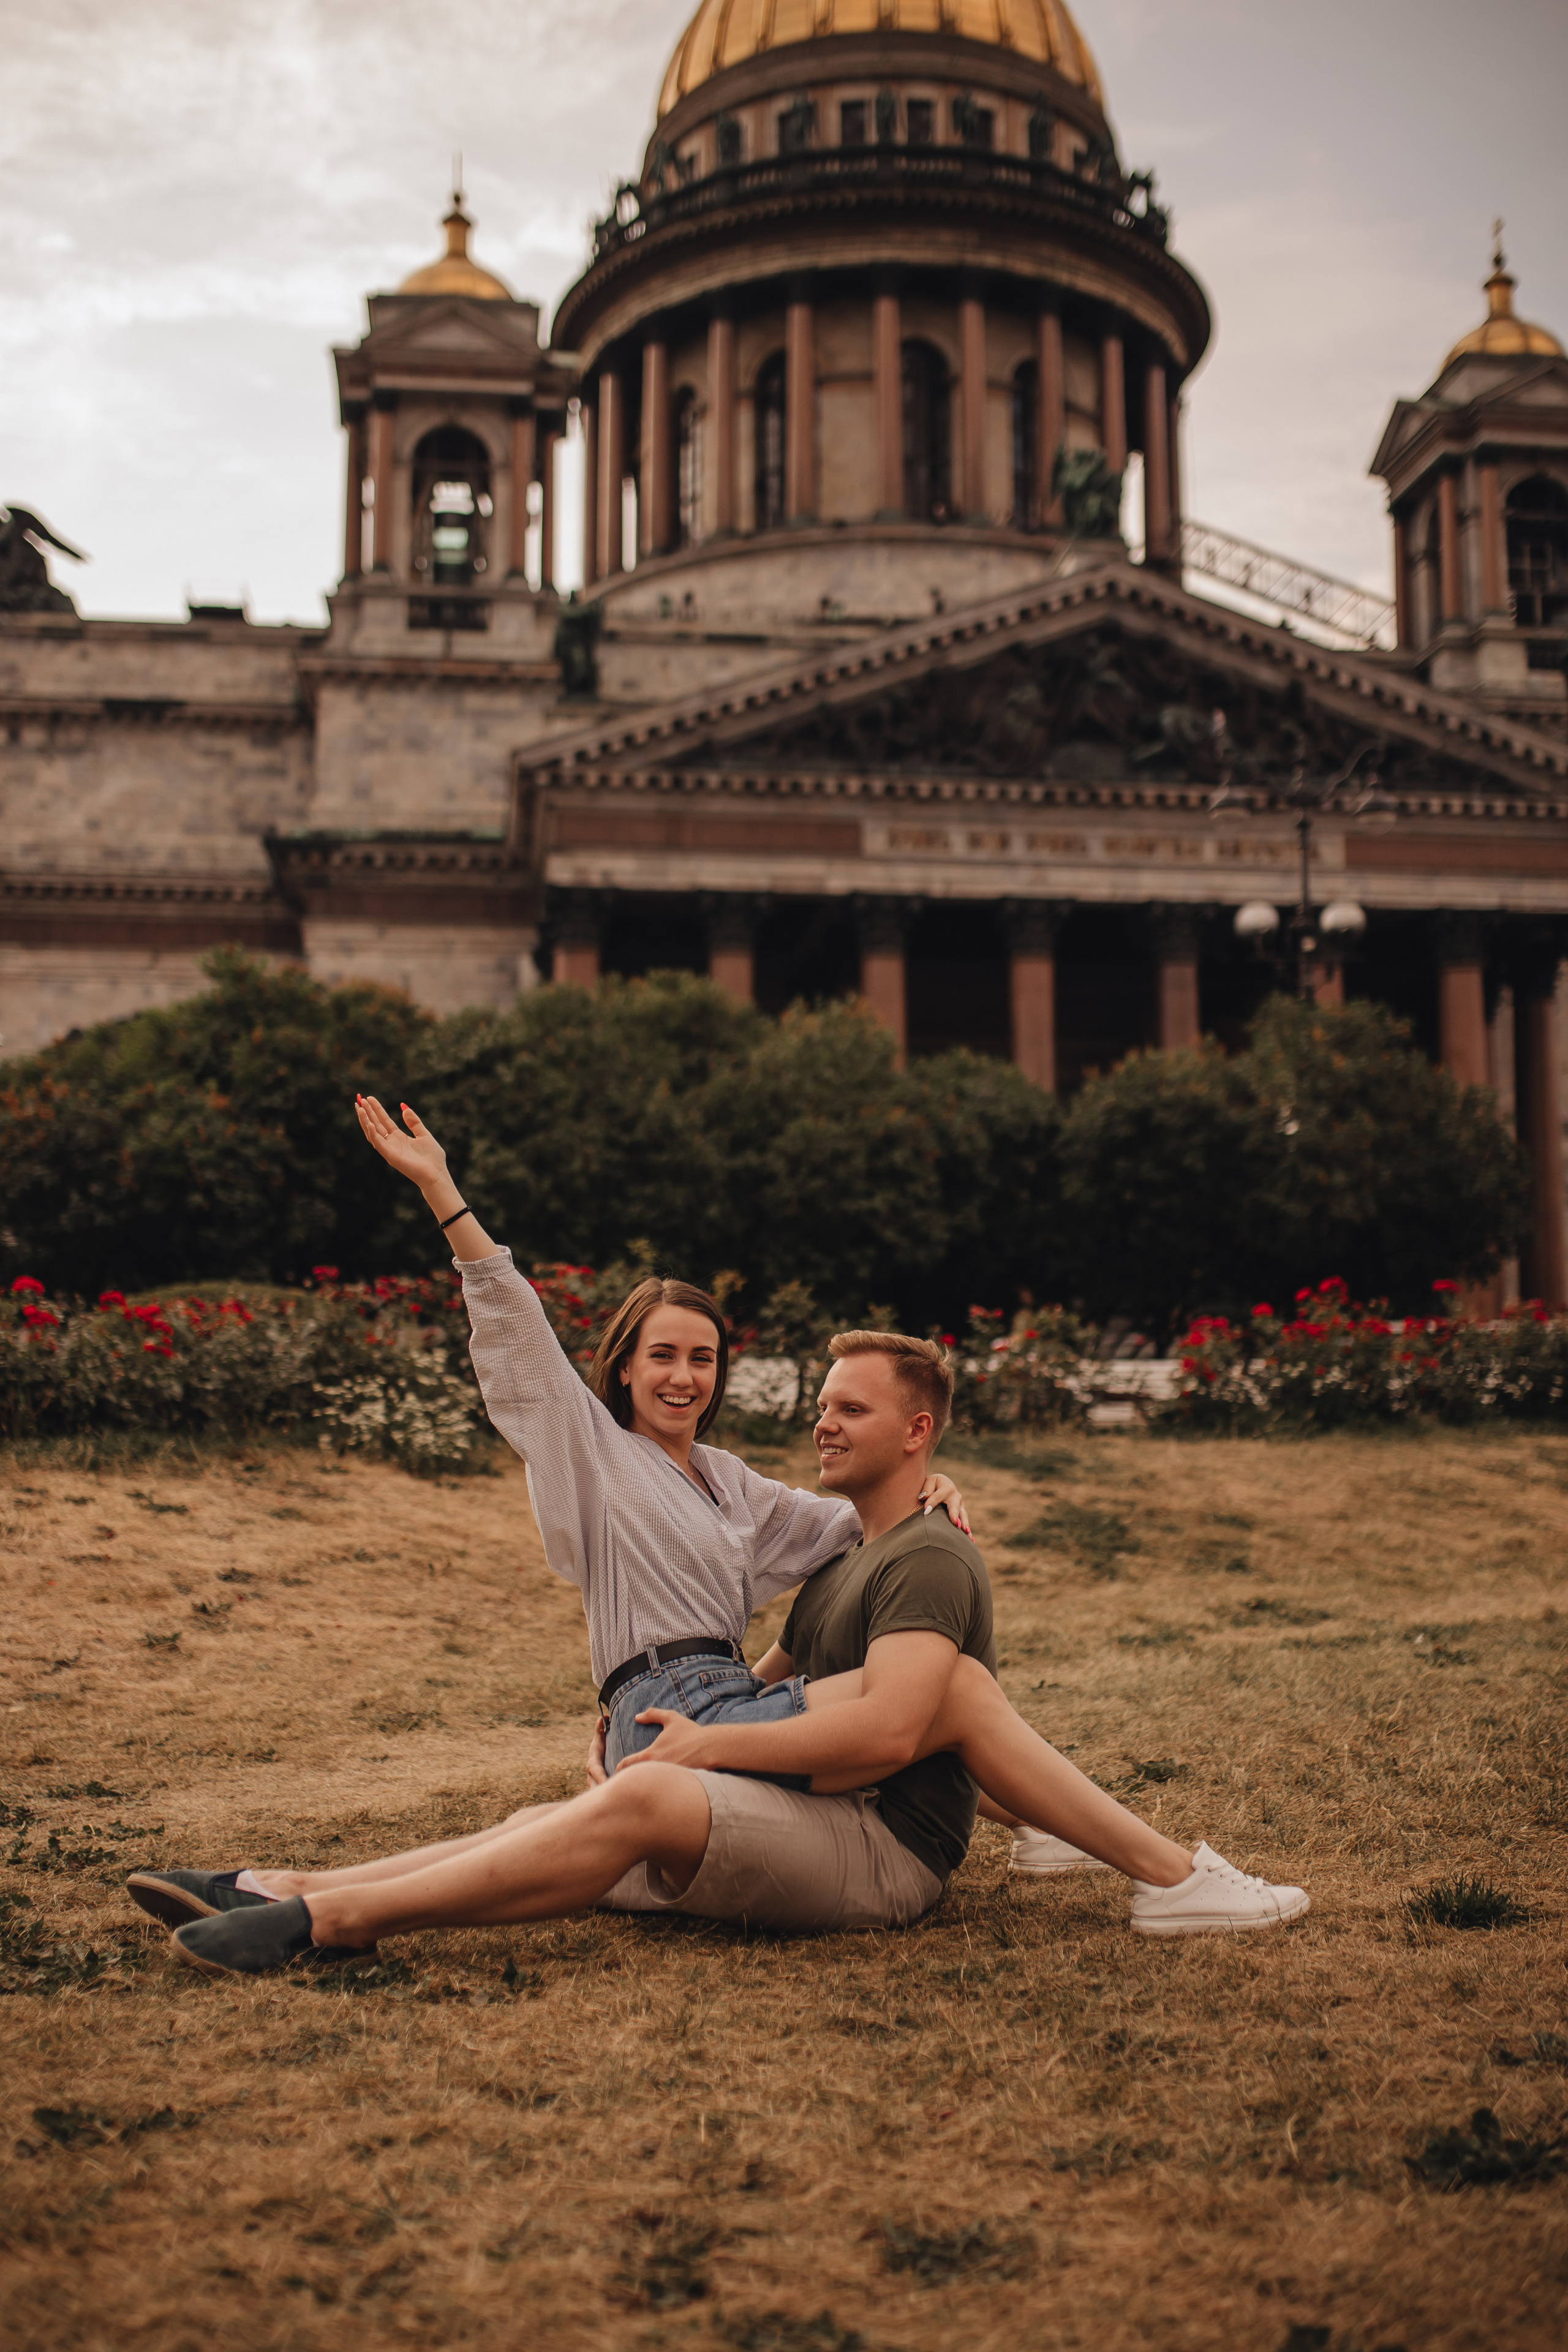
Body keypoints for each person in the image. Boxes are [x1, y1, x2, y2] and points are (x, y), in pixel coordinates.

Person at [153, 1327, 1308, 1979]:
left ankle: (332, 1927)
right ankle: (290, 1882)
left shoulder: (931, 1561)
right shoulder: (845, 1563)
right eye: (821, 1404)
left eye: (851, 1410)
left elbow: (895, 1728)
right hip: (817, 1817)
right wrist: (668, 1727)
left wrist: (697, 1753)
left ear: (917, 1433)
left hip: (883, 1856)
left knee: (652, 1799)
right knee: (568, 1814)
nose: (822, 1423)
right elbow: (784, 1688)